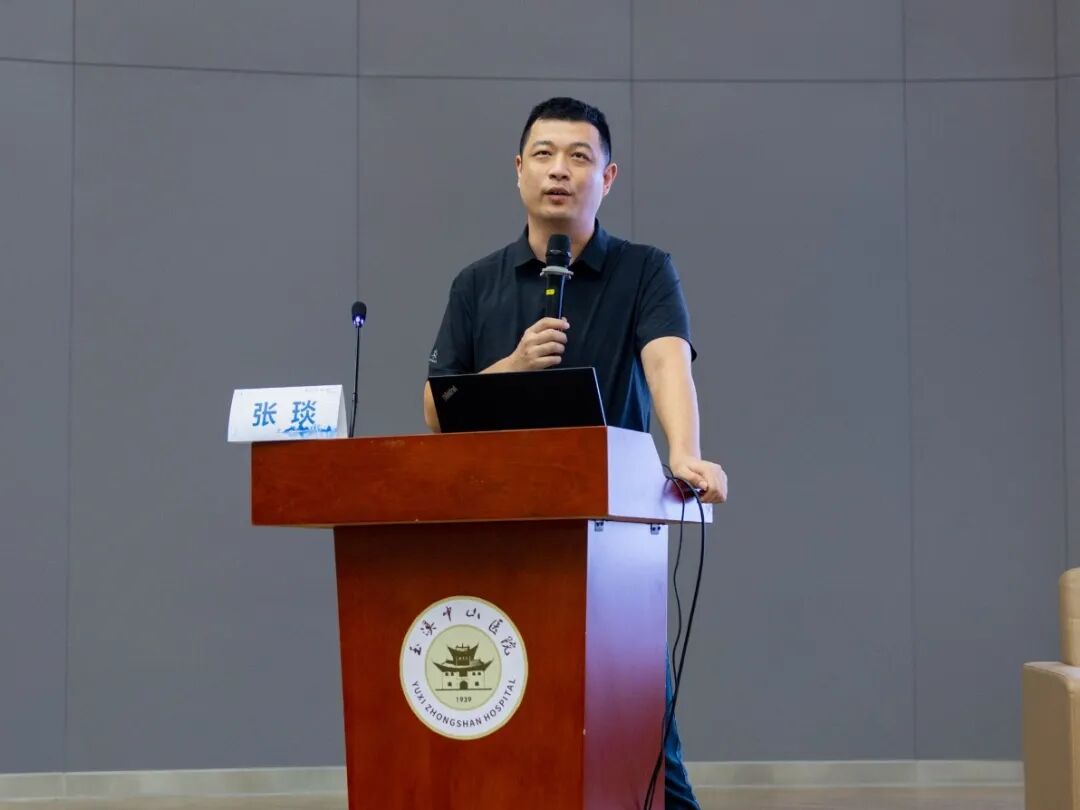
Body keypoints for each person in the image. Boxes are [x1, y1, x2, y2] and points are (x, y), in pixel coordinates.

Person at [422, 96, 727, 809]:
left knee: (643, 743)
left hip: (611, 538)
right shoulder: (475, 283)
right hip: (501, 538)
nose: (560, 170)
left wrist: (685, 453)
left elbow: (667, 362)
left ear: (607, 177)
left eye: (579, 157)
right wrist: (513, 366)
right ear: (518, 170)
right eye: (544, 154)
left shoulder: (644, 271)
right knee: (512, 728)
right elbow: (437, 410)